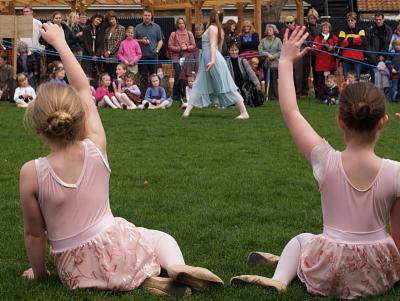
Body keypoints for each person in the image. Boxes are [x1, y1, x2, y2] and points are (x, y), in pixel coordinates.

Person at [20, 23, 224, 297]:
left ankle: (148, 280)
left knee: (120, 253)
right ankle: (176, 266)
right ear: (77, 115)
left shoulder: (31, 172)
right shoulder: (95, 146)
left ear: (37, 127)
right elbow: (82, 88)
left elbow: (34, 235)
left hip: (76, 271)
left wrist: (40, 273)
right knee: (158, 237)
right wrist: (61, 42)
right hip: (118, 251)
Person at [231, 26, 400, 299]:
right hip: (376, 274)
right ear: (383, 121)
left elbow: (290, 111)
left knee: (302, 240)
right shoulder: (396, 173)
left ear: (339, 121)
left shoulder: (325, 160)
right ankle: (288, 264)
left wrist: (285, 61)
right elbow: (398, 240)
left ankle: (279, 278)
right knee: (319, 244)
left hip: (330, 271)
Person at [182, 8, 249, 119]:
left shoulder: (213, 28)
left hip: (212, 60)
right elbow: (217, 47)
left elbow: (213, 45)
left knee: (226, 86)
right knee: (199, 83)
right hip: (209, 59)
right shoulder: (218, 29)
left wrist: (212, 60)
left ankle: (244, 112)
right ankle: (187, 110)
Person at [135, 7, 164, 93]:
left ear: (151, 16)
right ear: (142, 16)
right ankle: (144, 95)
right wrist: (141, 41)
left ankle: (155, 94)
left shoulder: (156, 27)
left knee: (154, 77)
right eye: (145, 15)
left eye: (148, 15)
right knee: (143, 77)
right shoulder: (137, 27)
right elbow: (132, 40)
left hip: (153, 55)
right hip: (142, 55)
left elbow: (161, 40)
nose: (147, 17)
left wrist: (157, 50)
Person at [168, 17, 196, 101]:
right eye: (179, 23)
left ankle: (185, 94)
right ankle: (176, 95)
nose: (181, 25)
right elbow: (170, 46)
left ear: (185, 24)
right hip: (176, 57)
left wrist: (186, 47)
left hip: (187, 57)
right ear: (177, 24)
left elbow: (193, 45)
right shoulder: (173, 34)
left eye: (182, 23)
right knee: (177, 75)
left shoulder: (189, 33)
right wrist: (180, 48)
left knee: (187, 76)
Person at [312, 22, 339, 100]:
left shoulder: (333, 36)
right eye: (324, 27)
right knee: (320, 81)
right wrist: (321, 44)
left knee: (331, 80)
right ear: (321, 29)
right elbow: (315, 50)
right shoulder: (318, 37)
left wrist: (331, 47)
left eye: (327, 27)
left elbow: (337, 45)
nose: (325, 29)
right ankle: (321, 97)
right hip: (320, 63)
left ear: (329, 28)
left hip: (330, 63)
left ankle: (332, 96)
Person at [280, 15, 303, 96]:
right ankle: (290, 92)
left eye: (291, 22)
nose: (289, 24)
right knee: (289, 74)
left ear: (294, 22)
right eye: (287, 23)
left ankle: (298, 92)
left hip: (297, 53)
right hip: (288, 54)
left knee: (298, 74)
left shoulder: (299, 29)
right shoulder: (283, 30)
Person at [338, 12, 366, 79]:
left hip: (357, 57)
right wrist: (355, 40)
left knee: (357, 78)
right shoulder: (343, 30)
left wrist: (348, 39)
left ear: (355, 20)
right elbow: (341, 43)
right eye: (348, 20)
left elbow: (362, 41)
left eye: (352, 20)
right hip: (346, 57)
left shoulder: (361, 30)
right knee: (346, 78)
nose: (350, 22)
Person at [20, 5, 42, 84]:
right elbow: (19, 38)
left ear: (31, 12)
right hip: (24, 52)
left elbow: (41, 37)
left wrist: (40, 48)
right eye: (24, 12)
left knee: (36, 72)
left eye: (27, 11)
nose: (25, 13)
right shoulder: (20, 22)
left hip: (36, 51)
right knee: (25, 72)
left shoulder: (38, 23)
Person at [258, 24, 282, 99]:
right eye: (267, 30)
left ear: (274, 31)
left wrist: (273, 56)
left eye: (270, 30)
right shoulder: (263, 40)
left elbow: (281, 51)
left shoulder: (278, 40)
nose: (269, 31)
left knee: (274, 79)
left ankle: (275, 95)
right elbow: (260, 50)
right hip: (266, 62)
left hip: (275, 62)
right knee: (267, 78)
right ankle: (267, 94)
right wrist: (267, 54)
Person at [302, 8, 321, 97]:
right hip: (307, 53)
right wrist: (307, 47)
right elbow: (303, 39)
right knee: (305, 73)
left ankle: (317, 91)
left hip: (317, 53)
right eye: (310, 18)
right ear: (308, 18)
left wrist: (316, 46)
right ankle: (305, 92)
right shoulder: (305, 27)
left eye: (313, 18)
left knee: (316, 73)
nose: (312, 19)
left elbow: (320, 39)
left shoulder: (320, 27)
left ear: (316, 18)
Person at [82, 13, 105, 80]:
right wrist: (92, 54)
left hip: (97, 56)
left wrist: (96, 55)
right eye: (97, 19)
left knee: (97, 75)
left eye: (100, 21)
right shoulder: (86, 29)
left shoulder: (100, 30)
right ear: (93, 18)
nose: (98, 22)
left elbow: (101, 44)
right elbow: (86, 43)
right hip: (87, 54)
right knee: (87, 74)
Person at [103, 11, 125, 78]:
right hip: (107, 57)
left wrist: (109, 52)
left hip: (116, 56)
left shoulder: (121, 28)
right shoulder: (107, 29)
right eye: (109, 19)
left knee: (115, 75)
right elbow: (105, 42)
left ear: (116, 18)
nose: (111, 21)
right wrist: (105, 52)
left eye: (112, 19)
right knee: (107, 75)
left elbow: (118, 42)